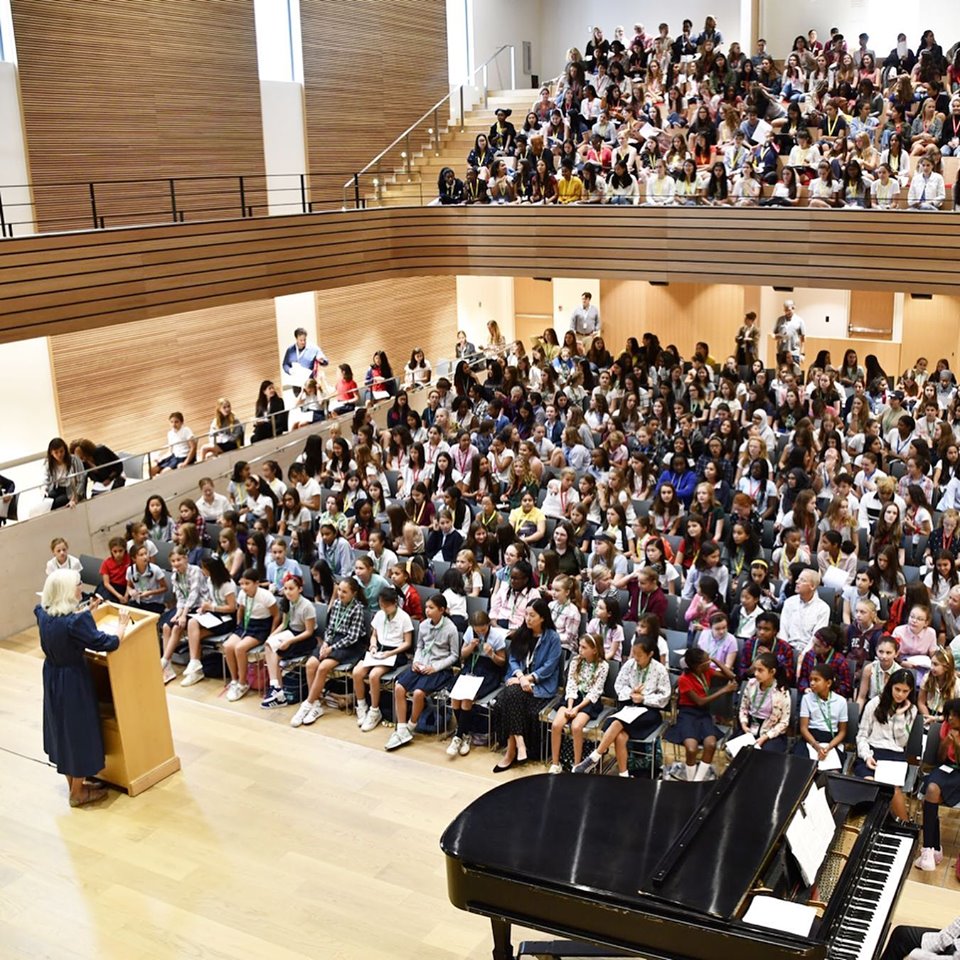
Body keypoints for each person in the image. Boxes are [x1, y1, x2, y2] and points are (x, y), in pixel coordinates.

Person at [35, 570, 130, 807]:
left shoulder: (43, 614)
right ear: (69, 590)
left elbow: (65, 628)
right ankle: (78, 793)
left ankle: (75, 786)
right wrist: (122, 624)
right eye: (78, 585)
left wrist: (88, 610)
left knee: (63, 730)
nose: (81, 588)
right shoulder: (76, 621)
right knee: (79, 732)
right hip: (74, 679)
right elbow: (107, 642)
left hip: (53, 676)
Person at [573, 633, 672, 776]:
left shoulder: (659, 669)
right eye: (634, 653)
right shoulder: (630, 664)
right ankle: (623, 775)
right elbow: (619, 685)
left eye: (639, 655)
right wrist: (632, 693)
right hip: (629, 707)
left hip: (649, 711)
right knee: (620, 736)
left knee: (618, 723)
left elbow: (664, 697)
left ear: (650, 654)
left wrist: (643, 698)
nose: (635, 658)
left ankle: (595, 756)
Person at [493, 598, 562, 771]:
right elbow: (514, 660)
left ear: (542, 617)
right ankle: (519, 743)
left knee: (507, 699)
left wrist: (526, 679)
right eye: (526, 615)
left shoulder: (553, 638)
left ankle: (510, 753)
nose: (528, 619)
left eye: (532, 615)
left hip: (540, 686)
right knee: (510, 697)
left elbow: (549, 667)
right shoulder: (522, 633)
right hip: (519, 682)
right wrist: (520, 676)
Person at [384, 593, 459, 751]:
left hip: (439, 669)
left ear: (442, 610)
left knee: (418, 693)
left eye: (431, 608)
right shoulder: (424, 625)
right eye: (426, 607)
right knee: (399, 687)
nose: (427, 611)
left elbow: (454, 656)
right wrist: (416, 661)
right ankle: (402, 727)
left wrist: (435, 667)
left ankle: (411, 726)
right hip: (421, 664)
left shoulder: (451, 628)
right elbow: (419, 647)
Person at [664, 647, 738, 782]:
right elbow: (700, 701)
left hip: (703, 714)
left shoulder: (707, 671)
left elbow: (731, 676)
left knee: (710, 745)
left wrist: (715, 659)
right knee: (691, 749)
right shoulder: (684, 679)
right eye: (706, 661)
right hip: (688, 714)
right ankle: (690, 779)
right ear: (698, 666)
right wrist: (724, 690)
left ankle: (697, 781)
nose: (709, 663)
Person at [854, 668, 916, 821]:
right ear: (890, 686)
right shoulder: (874, 703)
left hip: (895, 755)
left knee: (891, 789)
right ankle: (875, 823)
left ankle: (904, 825)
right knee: (871, 783)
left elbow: (902, 742)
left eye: (905, 691)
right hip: (873, 751)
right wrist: (867, 756)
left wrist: (900, 717)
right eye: (897, 689)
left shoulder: (911, 710)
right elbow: (861, 735)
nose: (900, 694)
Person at [548, 633, 609, 773]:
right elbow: (571, 685)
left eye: (584, 647)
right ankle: (556, 763)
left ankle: (577, 765)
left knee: (576, 727)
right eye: (579, 646)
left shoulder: (603, 666)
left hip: (589, 701)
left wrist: (577, 709)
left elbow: (595, 691)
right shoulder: (575, 661)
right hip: (572, 697)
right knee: (556, 724)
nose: (580, 650)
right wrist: (570, 706)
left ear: (594, 650)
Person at [914, 698, 960, 875]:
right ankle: (929, 850)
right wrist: (947, 743)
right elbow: (941, 758)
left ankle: (933, 848)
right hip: (946, 768)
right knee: (931, 791)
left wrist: (956, 744)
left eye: (954, 716)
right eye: (948, 714)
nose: (949, 719)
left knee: (929, 800)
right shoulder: (946, 727)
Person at [737, 652, 791, 752]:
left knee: (763, 755)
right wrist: (744, 725)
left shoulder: (782, 691)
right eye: (755, 669)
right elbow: (744, 708)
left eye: (760, 670)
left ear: (772, 672)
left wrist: (765, 737)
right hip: (750, 725)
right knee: (738, 752)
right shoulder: (751, 684)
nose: (756, 673)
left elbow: (784, 722)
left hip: (771, 730)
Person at [281, 327, 328, 397]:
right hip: (296, 384)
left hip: (310, 383)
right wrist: (289, 370)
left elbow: (326, 362)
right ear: (296, 339)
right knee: (301, 404)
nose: (303, 342)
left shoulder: (313, 348)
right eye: (301, 340)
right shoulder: (290, 350)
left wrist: (322, 360)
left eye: (304, 340)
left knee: (313, 404)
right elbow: (285, 364)